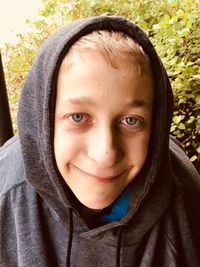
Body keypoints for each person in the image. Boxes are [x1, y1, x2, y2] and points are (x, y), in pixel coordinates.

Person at [0, 16, 200, 267]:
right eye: (78, 117)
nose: (105, 153)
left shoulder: (185, 197)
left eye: (131, 121)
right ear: (43, 120)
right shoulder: (6, 192)